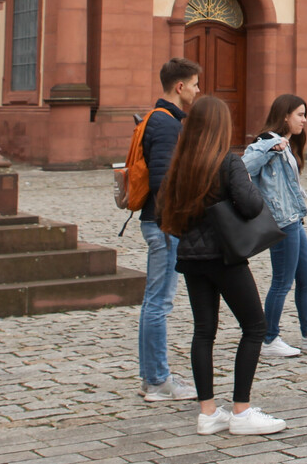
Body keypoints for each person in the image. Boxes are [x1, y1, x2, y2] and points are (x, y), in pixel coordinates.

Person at [160, 96, 288, 435]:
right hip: (224, 257)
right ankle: (242, 411)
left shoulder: (180, 164)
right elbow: (250, 205)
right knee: (255, 326)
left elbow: (163, 214)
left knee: (204, 330)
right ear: (220, 127)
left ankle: (207, 413)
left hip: (190, 257)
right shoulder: (227, 163)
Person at [243, 94, 307, 358]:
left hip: (295, 219)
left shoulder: (289, 144)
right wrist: (269, 148)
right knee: (282, 281)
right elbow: (244, 167)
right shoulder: (267, 142)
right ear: (285, 115)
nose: (304, 120)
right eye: (300, 114)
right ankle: (268, 339)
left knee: (306, 278)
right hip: (281, 222)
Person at [138, 58, 202, 403]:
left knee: (156, 301)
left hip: (160, 222)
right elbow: (163, 180)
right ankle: (157, 379)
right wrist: (174, 221)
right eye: (194, 84)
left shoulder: (164, 119)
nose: (197, 90)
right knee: (158, 302)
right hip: (163, 223)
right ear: (179, 87)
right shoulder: (165, 125)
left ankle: (153, 377)